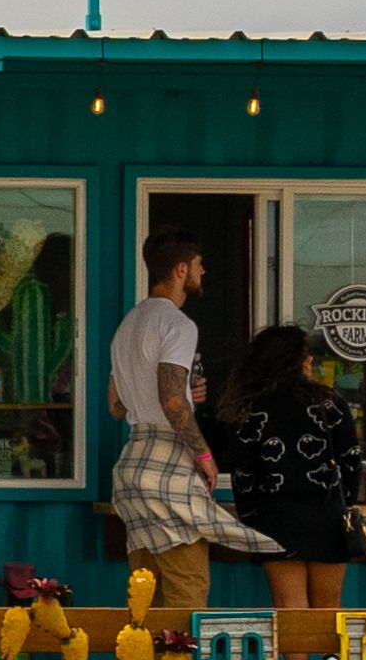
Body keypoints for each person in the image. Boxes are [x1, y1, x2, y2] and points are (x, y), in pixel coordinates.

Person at [109, 234, 273, 615]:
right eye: (198, 264)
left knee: (147, 605)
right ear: (181, 270)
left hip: (134, 463)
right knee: (186, 604)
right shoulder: (178, 324)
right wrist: (204, 454)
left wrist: (186, 394)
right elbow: (169, 400)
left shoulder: (128, 325)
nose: (202, 271)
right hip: (168, 465)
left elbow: (117, 405)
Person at [211, 324, 366, 617]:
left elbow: (243, 473)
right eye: (306, 354)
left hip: (276, 516)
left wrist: (249, 515)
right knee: (329, 605)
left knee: (288, 607)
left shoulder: (249, 408)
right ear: (294, 360)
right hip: (326, 513)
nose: (310, 361)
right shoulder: (328, 402)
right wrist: (345, 501)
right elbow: (350, 459)